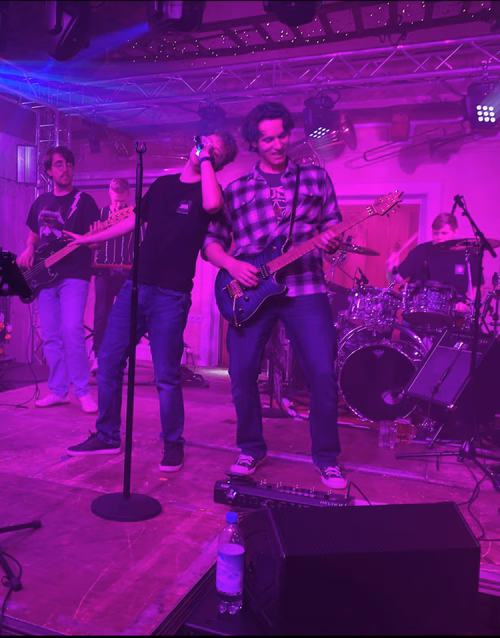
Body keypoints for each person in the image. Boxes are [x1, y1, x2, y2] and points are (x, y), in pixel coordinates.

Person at [64, 130, 238, 472]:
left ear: (218, 162)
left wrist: (207, 159)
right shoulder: (162, 185)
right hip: (136, 287)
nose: (205, 148)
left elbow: (212, 205)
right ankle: (107, 435)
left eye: (214, 150)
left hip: (171, 295)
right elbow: (131, 221)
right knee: (108, 361)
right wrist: (88, 239)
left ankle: (173, 442)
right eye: (205, 142)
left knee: (166, 375)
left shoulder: (210, 192)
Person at [203, 101, 347, 489]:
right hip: (251, 290)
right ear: (255, 142)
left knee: (321, 372)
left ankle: (327, 458)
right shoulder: (236, 190)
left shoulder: (315, 178)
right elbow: (211, 244)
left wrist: (332, 240)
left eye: (282, 136)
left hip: (306, 286)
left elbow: (333, 226)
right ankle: (251, 448)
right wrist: (233, 266)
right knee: (241, 372)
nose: (277, 144)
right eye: (268, 139)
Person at [17, 145, 99, 413]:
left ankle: (83, 391)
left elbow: (94, 241)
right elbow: (33, 236)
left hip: (74, 274)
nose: (66, 169)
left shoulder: (84, 202)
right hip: (44, 276)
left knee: (72, 330)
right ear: (49, 171)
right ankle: (59, 390)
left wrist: (94, 239)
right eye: (60, 164)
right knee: (50, 335)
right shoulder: (41, 202)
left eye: (69, 164)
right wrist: (29, 249)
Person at [91, 178, 144, 374]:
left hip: (126, 273)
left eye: (123, 201)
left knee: (126, 318)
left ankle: (122, 358)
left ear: (128, 195)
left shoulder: (135, 215)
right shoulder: (101, 214)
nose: (120, 205)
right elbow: (91, 241)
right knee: (101, 315)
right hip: (103, 272)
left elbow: (141, 244)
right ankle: (97, 357)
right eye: (116, 201)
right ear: (110, 193)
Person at [386, 213, 478, 314]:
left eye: (444, 233)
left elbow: (476, 286)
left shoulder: (466, 254)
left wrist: (468, 305)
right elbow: (395, 280)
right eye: (435, 233)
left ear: (455, 232)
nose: (439, 237)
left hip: (454, 312)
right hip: (420, 312)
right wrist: (390, 268)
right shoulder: (420, 251)